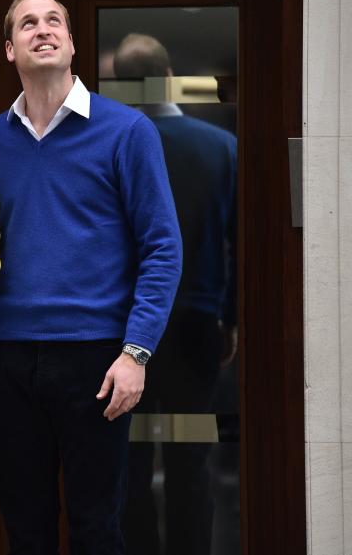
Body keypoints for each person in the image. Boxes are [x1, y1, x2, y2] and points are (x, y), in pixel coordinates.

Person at [0, 0, 182, 555]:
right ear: (9, 49)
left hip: (97, 357)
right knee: (25, 527)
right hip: (8, 356)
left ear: (71, 42)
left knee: (96, 528)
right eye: (27, 23)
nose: (42, 30)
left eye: (54, 21)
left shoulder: (127, 131)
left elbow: (162, 247)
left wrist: (136, 352)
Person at [114, 32, 238, 555]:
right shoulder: (220, 147)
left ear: (120, 85)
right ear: (168, 77)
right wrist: (230, 320)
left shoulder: (114, 147)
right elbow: (241, 243)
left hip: (126, 328)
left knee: (131, 463)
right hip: (197, 325)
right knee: (191, 459)